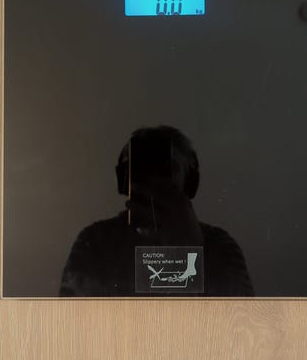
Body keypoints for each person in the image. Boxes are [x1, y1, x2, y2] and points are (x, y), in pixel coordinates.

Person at [59, 126, 254, 297]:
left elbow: (241, 321)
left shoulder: (220, 246)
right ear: (125, 178)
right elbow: (72, 320)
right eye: (142, 168)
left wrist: (188, 249)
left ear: (189, 180)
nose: (153, 179)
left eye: (164, 168)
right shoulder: (95, 242)